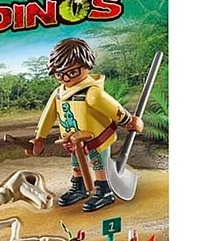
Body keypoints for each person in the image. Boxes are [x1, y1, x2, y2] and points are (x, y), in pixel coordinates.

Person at [30, 38, 143, 212]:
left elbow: (113, 108)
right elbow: (48, 115)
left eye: (72, 72)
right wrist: (39, 138)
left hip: (96, 138)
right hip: (72, 140)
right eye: (60, 74)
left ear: (87, 65)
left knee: (98, 163)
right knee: (76, 163)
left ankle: (104, 190)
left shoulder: (92, 93)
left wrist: (129, 121)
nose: (65, 78)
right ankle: (79, 186)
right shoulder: (59, 93)